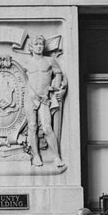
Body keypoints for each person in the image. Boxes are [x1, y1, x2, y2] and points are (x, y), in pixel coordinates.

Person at [23, 35, 67, 167]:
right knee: (32, 126)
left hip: (44, 98)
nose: (39, 47)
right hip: (30, 98)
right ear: (31, 47)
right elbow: (23, 79)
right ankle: (36, 156)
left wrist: (56, 85)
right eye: (36, 44)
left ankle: (56, 156)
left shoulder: (49, 61)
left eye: (41, 44)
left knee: (47, 127)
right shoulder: (27, 63)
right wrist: (30, 91)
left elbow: (58, 73)